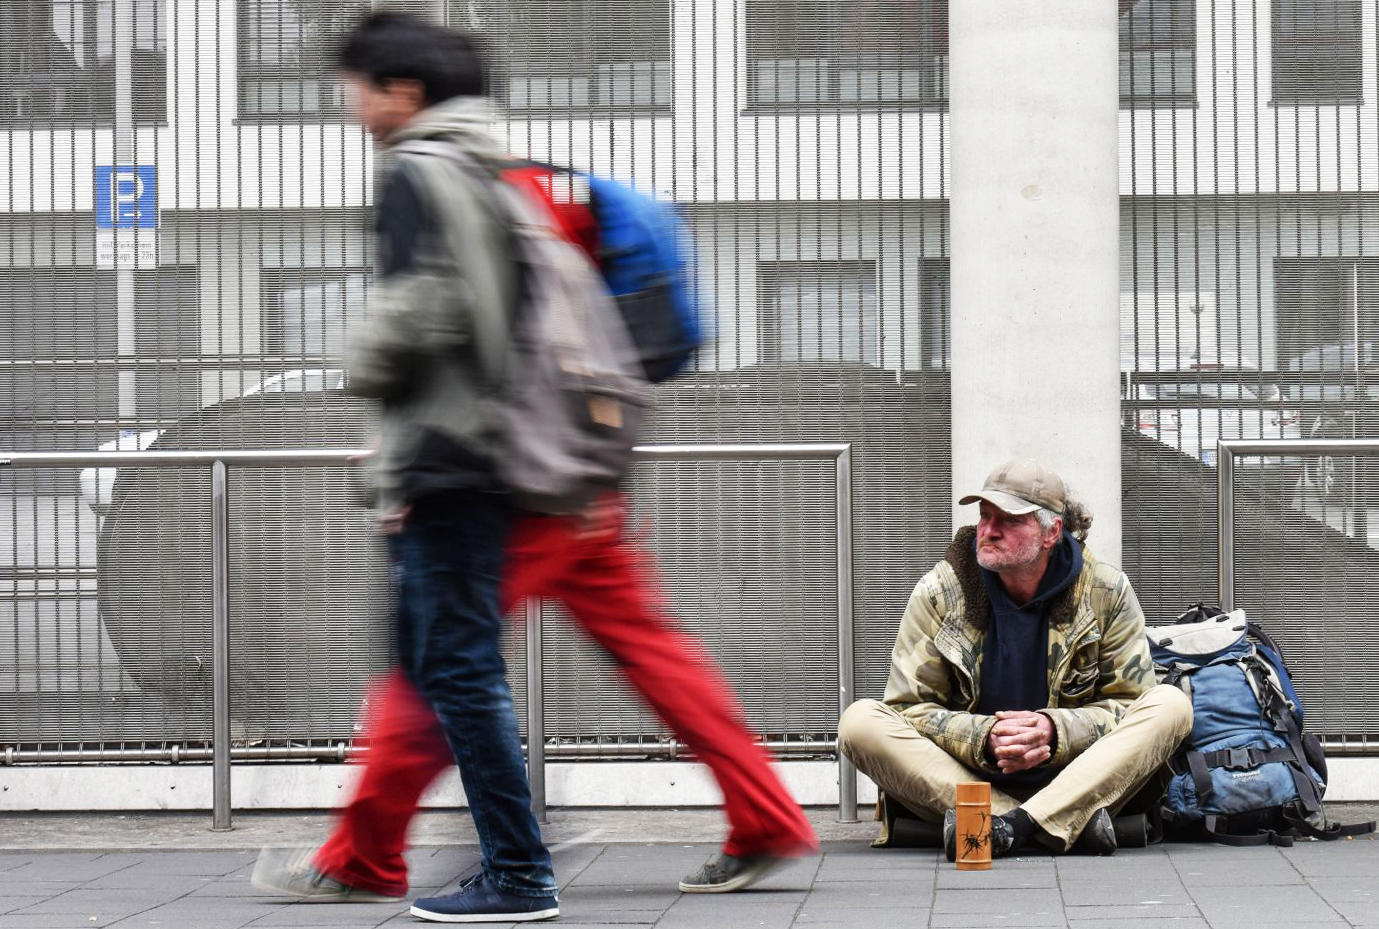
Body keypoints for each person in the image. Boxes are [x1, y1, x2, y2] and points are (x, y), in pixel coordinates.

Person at [251, 12, 816, 913]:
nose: (350, 104)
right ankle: (766, 813)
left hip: (515, 479)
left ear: (407, 92)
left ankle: (367, 853)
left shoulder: (454, 182)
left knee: (437, 667)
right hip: (584, 469)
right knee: (650, 652)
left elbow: (467, 334)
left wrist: (411, 435)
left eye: (356, 87)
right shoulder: (541, 186)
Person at [838, 459, 1192, 857]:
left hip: (1079, 775)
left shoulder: (1105, 591)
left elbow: (1131, 703)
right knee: (859, 722)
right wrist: (983, 737)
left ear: (1051, 532)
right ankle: (1052, 823)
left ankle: (1005, 829)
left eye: (1008, 520)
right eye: (985, 516)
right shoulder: (939, 591)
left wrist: (1054, 731)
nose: (988, 531)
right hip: (966, 780)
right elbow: (909, 709)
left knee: (1171, 705)